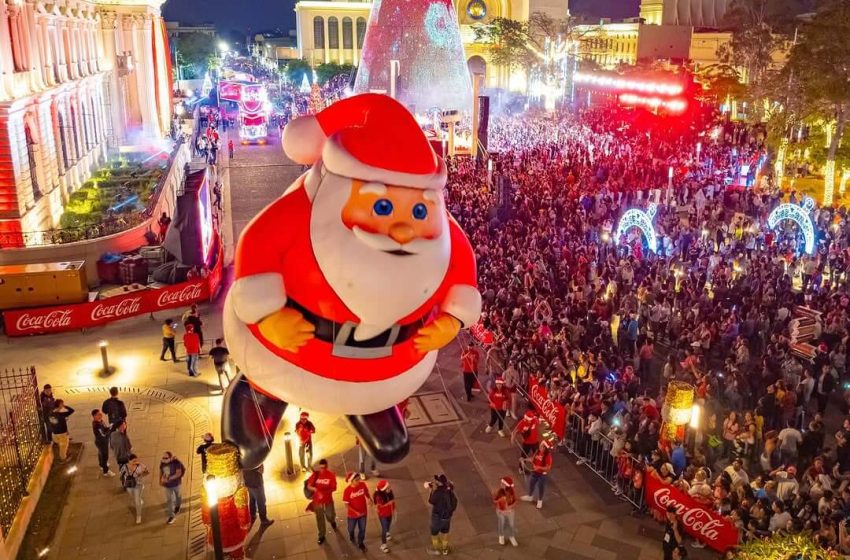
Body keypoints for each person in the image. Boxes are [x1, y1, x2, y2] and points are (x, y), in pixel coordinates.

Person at [307, 459, 338, 545]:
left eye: (324, 468)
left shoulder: (331, 475)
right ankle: (321, 535)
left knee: (330, 515)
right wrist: (315, 489)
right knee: (320, 518)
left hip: (327, 499)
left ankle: (332, 521)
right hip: (317, 501)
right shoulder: (315, 475)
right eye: (321, 468)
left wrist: (324, 492)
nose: (322, 469)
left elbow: (334, 488)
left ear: (327, 466)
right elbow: (309, 486)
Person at [427, 474, 457, 556]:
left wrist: (430, 491)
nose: (435, 481)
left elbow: (431, 501)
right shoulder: (449, 491)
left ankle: (436, 550)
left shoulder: (438, 492)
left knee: (434, 533)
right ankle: (445, 549)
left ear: (440, 483)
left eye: (437, 480)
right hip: (447, 517)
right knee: (445, 533)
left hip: (437, 517)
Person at [521, 440, 554, 509]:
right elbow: (532, 459)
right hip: (535, 473)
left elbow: (548, 468)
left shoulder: (548, 457)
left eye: (541, 445)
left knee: (540, 487)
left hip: (542, 475)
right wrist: (524, 459)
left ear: (544, 448)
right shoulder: (537, 451)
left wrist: (538, 467)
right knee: (531, 484)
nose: (540, 445)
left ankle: (540, 500)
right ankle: (530, 496)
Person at [343, 472, 371, 552]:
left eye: (359, 479)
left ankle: (361, 543)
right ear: (351, 481)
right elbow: (346, 505)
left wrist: (369, 499)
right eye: (357, 480)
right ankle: (351, 535)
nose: (359, 481)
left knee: (362, 529)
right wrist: (355, 512)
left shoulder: (362, 485)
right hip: (352, 515)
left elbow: (366, 492)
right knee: (351, 529)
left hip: (363, 513)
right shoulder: (347, 491)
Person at [121, 454, 149, 524]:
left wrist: (141, 468)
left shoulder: (140, 466)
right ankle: (139, 499)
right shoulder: (125, 467)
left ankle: (138, 516)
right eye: (133, 461)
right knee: (132, 496)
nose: (135, 462)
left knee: (137, 501)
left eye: (136, 460)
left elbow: (147, 473)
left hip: (138, 485)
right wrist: (125, 478)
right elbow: (122, 474)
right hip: (129, 485)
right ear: (129, 461)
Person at [159, 451, 185, 524]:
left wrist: (168, 478)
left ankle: (177, 506)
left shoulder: (176, 463)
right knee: (169, 500)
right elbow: (161, 472)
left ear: (170, 458)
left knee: (178, 496)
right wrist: (160, 480)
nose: (164, 459)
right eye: (163, 457)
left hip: (176, 484)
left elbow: (178, 474)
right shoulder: (162, 463)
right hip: (167, 486)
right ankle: (171, 516)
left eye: (166, 458)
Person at [493, 476, 518, 547]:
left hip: (510, 511)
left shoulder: (512, 492)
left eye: (502, 484)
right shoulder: (500, 492)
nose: (501, 485)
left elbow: (515, 500)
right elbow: (495, 500)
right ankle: (501, 536)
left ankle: (511, 536)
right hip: (501, 511)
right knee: (501, 523)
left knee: (511, 524)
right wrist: (500, 501)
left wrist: (510, 507)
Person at [373, 479, 395, 553]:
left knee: (388, 524)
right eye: (387, 487)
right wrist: (389, 503)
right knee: (384, 528)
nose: (389, 487)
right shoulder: (378, 496)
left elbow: (392, 500)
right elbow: (381, 504)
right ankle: (383, 545)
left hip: (389, 512)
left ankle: (387, 532)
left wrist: (393, 508)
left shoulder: (389, 491)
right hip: (383, 514)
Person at [91, 409, 114, 477]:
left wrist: (109, 427)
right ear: (94, 416)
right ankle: (106, 471)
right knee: (105, 456)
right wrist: (110, 430)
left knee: (100, 454)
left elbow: (105, 428)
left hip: (102, 441)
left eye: (100, 413)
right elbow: (104, 434)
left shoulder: (100, 421)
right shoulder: (96, 425)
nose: (101, 415)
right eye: (98, 414)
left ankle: (101, 465)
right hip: (101, 442)